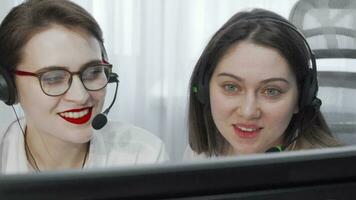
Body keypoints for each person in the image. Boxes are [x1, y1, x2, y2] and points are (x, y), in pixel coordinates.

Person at [0, 0, 168, 174]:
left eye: (93, 72)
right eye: (54, 78)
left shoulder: (142, 157)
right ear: (8, 86)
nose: (80, 96)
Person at [185, 8, 341, 160]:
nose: (248, 112)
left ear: (302, 97)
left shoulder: (333, 174)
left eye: (271, 91)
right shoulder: (200, 157)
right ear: (204, 90)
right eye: (231, 87)